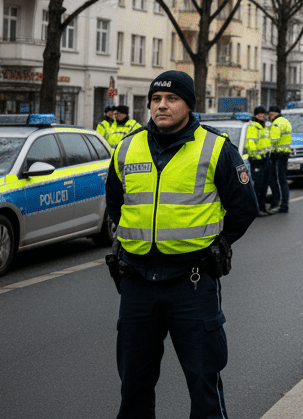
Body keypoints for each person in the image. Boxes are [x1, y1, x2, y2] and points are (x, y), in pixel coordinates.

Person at [105, 70, 258, 419]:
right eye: (156, 99)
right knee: (134, 383)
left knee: (203, 381)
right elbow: (115, 203)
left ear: (189, 104)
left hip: (192, 281)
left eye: (172, 99)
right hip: (137, 281)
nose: (162, 105)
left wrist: (220, 243)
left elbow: (244, 207)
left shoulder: (215, 147)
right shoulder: (127, 147)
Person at [245, 106, 272, 216]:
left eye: (264, 114)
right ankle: (256, 209)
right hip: (256, 160)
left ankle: (262, 207)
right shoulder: (253, 127)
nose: (263, 116)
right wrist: (258, 155)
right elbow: (251, 144)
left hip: (265, 159)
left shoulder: (264, 127)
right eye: (261, 115)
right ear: (256, 115)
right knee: (258, 186)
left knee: (264, 185)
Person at [267, 105, 292, 213]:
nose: (270, 117)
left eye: (271, 114)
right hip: (284, 154)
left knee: (275, 179)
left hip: (277, 155)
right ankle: (284, 204)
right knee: (283, 180)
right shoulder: (286, 121)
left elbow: (273, 140)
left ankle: (278, 202)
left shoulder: (276, 124)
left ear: (275, 113)